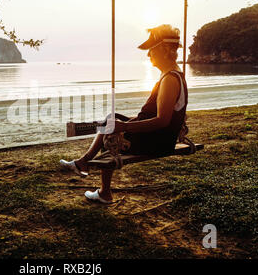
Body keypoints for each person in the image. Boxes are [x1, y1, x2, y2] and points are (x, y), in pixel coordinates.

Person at [60, 24, 188, 204]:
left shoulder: (169, 80)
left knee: (111, 130)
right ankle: (85, 164)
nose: (148, 54)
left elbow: (162, 120)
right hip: (159, 139)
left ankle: (97, 182)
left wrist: (126, 126)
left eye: (151, 49)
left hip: (155, 142)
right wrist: (127, 122)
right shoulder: (175, 75)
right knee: (111, 120)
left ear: (164, 50)